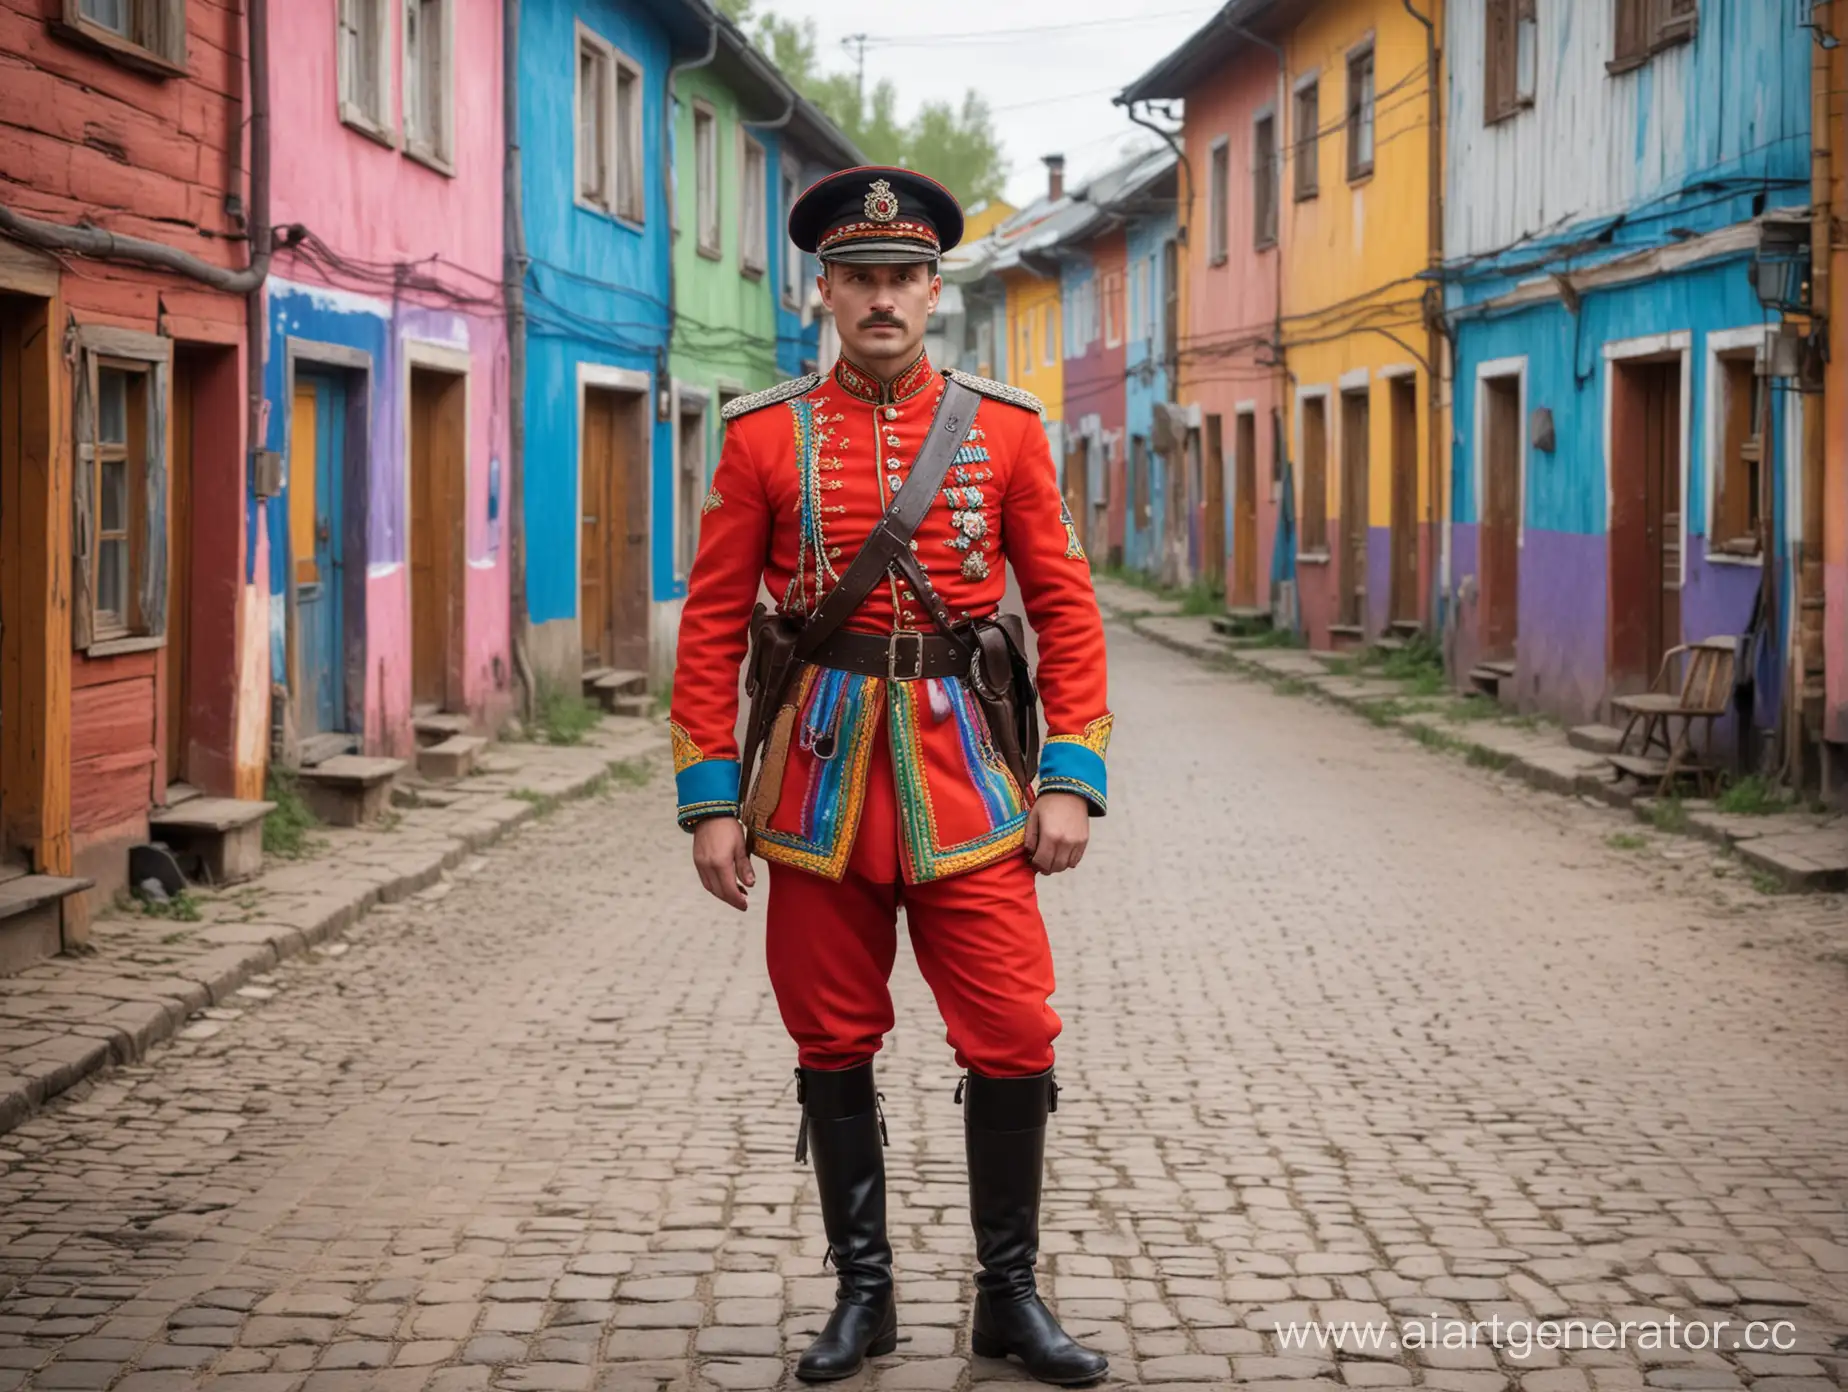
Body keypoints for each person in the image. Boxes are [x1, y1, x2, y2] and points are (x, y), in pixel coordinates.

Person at [669, 165, 1112, 1387]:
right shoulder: (761, 436)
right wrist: (712, 802)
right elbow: (712, 628)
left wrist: (1068, 777)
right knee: (830, 1037)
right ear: (826, 290)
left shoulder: (1005, 431)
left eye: (901, 279)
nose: (881, 299)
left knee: (1016, 1030)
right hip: (814, 784)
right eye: (858, 279)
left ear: (932, 290)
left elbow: (1067, 614)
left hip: (968, 780)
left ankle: (1008, 1301)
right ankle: (864, 1297)